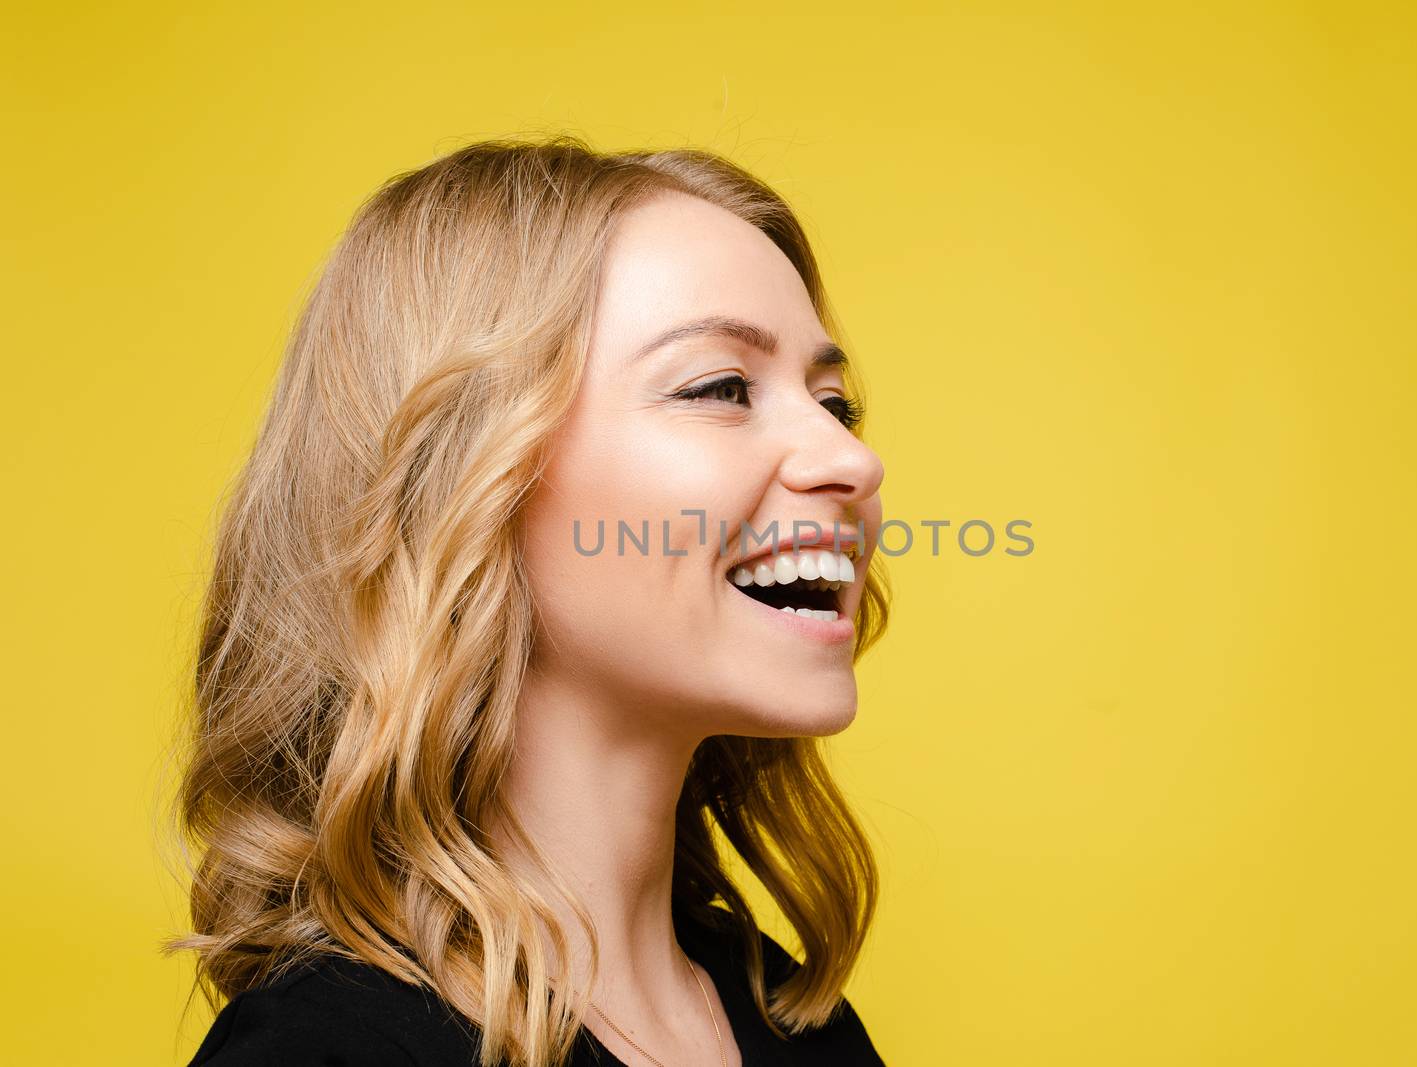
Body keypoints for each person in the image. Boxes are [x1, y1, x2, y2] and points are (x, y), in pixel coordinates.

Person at [163, 135, 892, 1067]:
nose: (851, 460)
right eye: (722, 387)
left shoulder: (799, 1021)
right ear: (463, 478)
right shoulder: (329, 1049)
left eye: (835, 404)